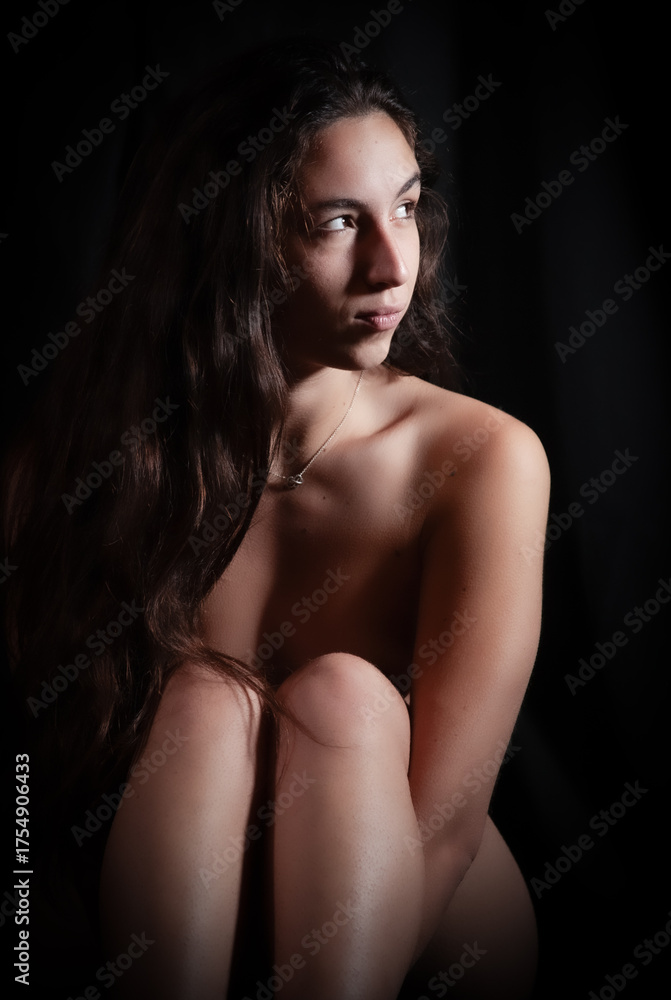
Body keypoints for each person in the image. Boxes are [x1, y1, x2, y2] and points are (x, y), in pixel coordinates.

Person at [2, 38, 550, 999]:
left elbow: (447, 831)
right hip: (183, 918)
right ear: (227, 240)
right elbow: (29, 796)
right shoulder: (88, 461)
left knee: (343, 697)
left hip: (419, 913)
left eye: (406, 208)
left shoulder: (478, 458)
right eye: (338, 222)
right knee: (206, 703)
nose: (392, 265)